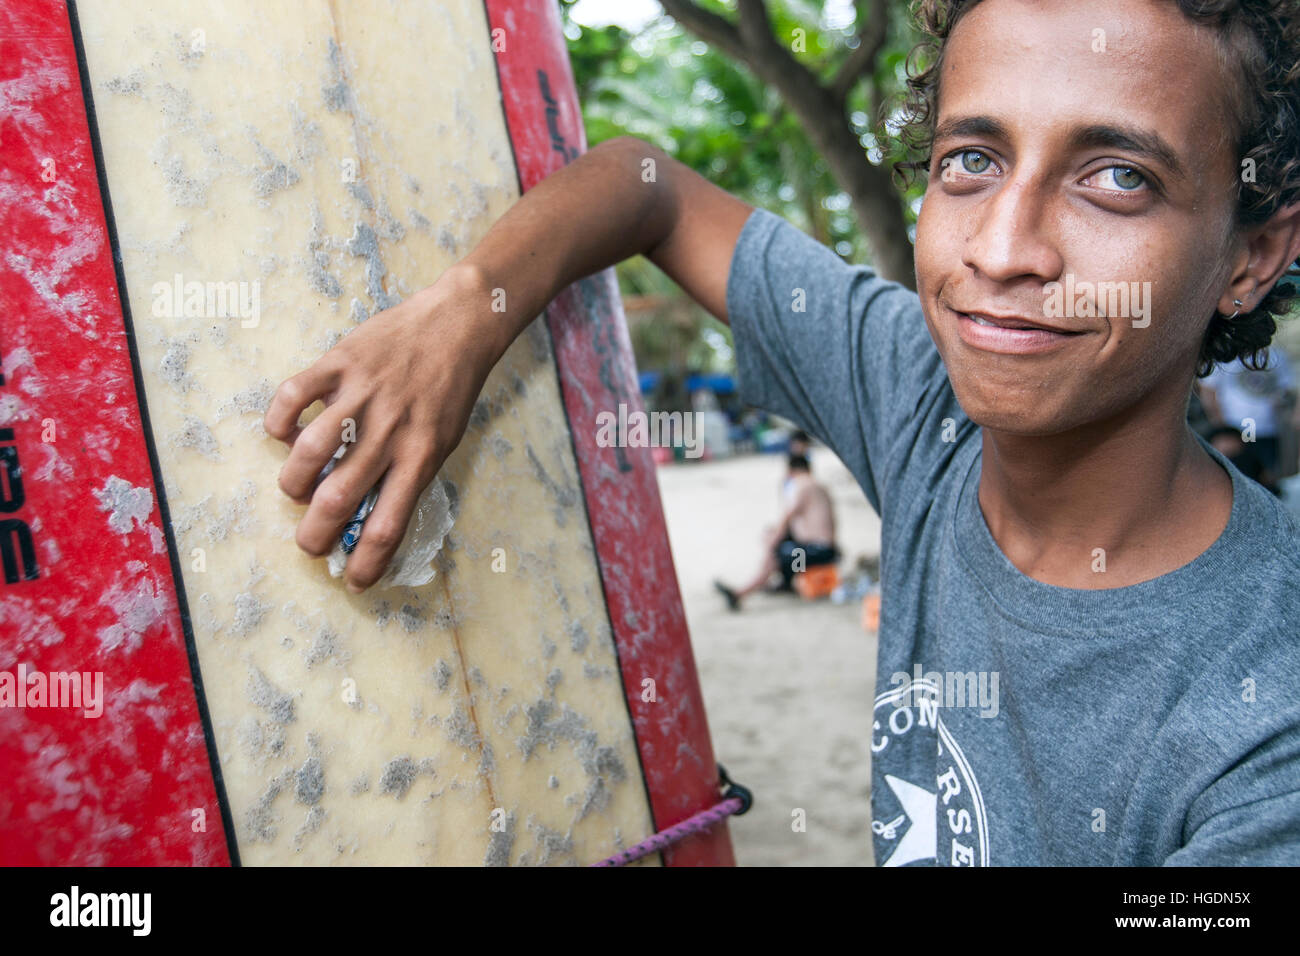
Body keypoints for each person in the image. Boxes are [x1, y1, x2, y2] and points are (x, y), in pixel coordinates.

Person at [264, 0, 1300, 865]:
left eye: (1117, 176)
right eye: (972, 158)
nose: (1003, 246)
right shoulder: (920, 400)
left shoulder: (1265, 716)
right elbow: (646, 189)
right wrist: (464, 313)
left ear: (1251, 255)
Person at [713, 453, 839, 610]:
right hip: (822, 550)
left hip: (816, 552)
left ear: (791, 470)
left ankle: (741, 593)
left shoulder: (802, 484)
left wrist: (772, 543)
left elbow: (787, 517)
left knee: (777, 554)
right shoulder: (817, 485)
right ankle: (780, 583)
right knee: (782, 549)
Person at [1199, 345, 1299, 486]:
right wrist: (1220, 426)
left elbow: (1287, 389)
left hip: (1269, 427)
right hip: (1240, 427)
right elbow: (1209, 391)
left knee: (1267, 476)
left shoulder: (1277, 355)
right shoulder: (1226, 356)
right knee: (1244, 475)